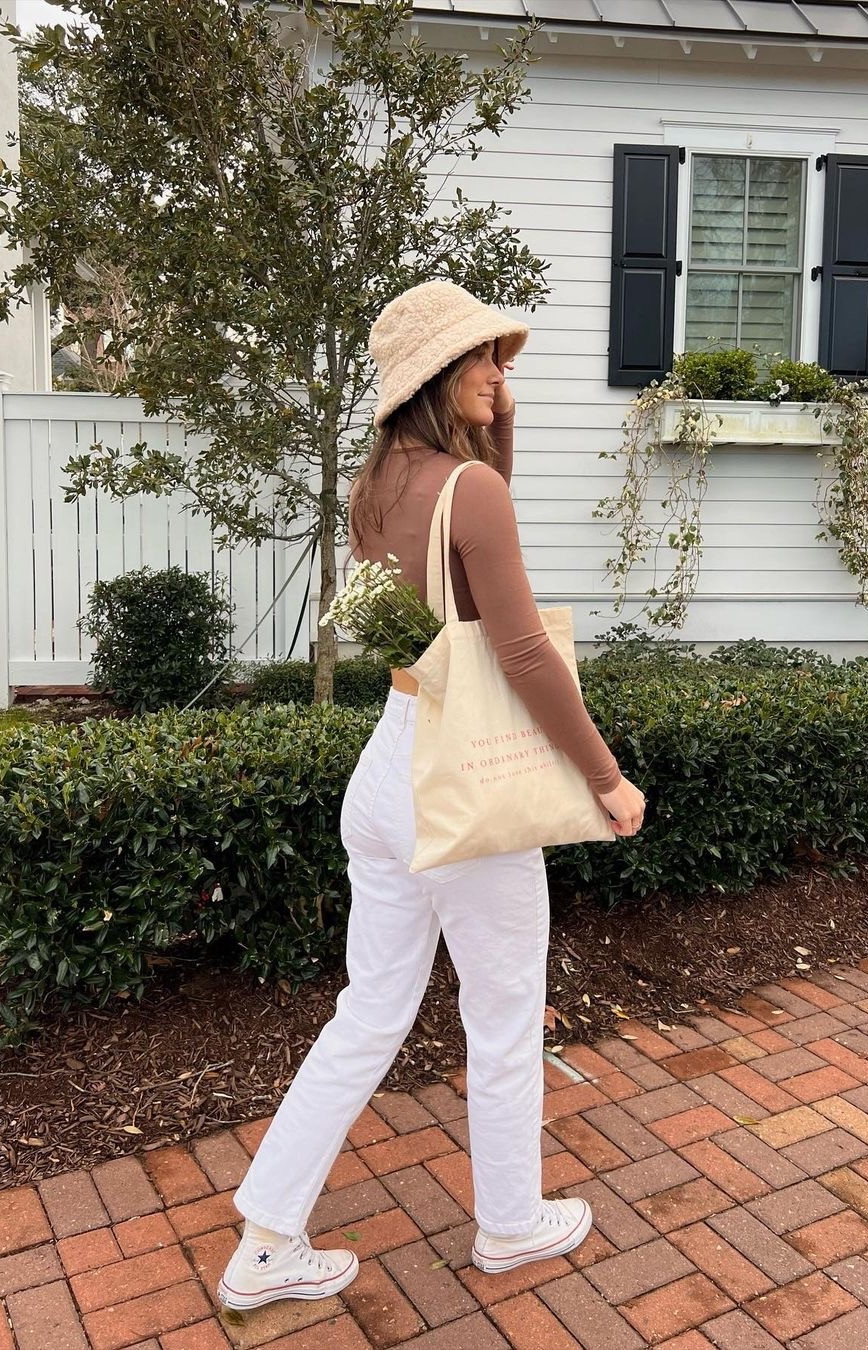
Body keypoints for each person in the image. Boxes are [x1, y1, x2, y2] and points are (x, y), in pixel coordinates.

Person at [217, 280, 646, 1311]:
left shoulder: (376, 487)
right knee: (500, 1018)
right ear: (437, 378)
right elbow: (524, 653)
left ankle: (266, 1239)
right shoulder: (472, 490)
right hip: (465, 779)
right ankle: (507, 1225)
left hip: (393, 760)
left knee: (368, 1012)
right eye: (485, 360)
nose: (503, 375)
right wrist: (606, 778)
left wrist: (496, 432)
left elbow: (436, 604)